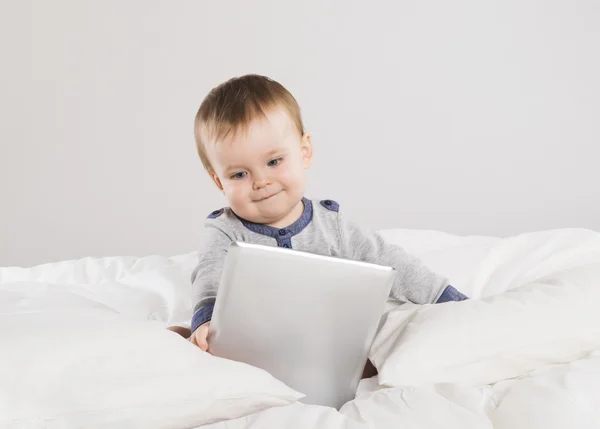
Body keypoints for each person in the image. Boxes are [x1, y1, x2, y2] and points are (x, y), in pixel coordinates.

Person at [177, 74, 467, 377]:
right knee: (179, 338)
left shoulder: (333, 225)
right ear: (218, 181)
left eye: (274, 162)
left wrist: (448, 299)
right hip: (253, 343)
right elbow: (209, 279)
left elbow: (392, 262)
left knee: (387, 346)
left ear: (305, 152)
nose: (261, 182)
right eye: (239, 175)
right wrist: (204, 323)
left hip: (325, 341)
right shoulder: (224, 231)